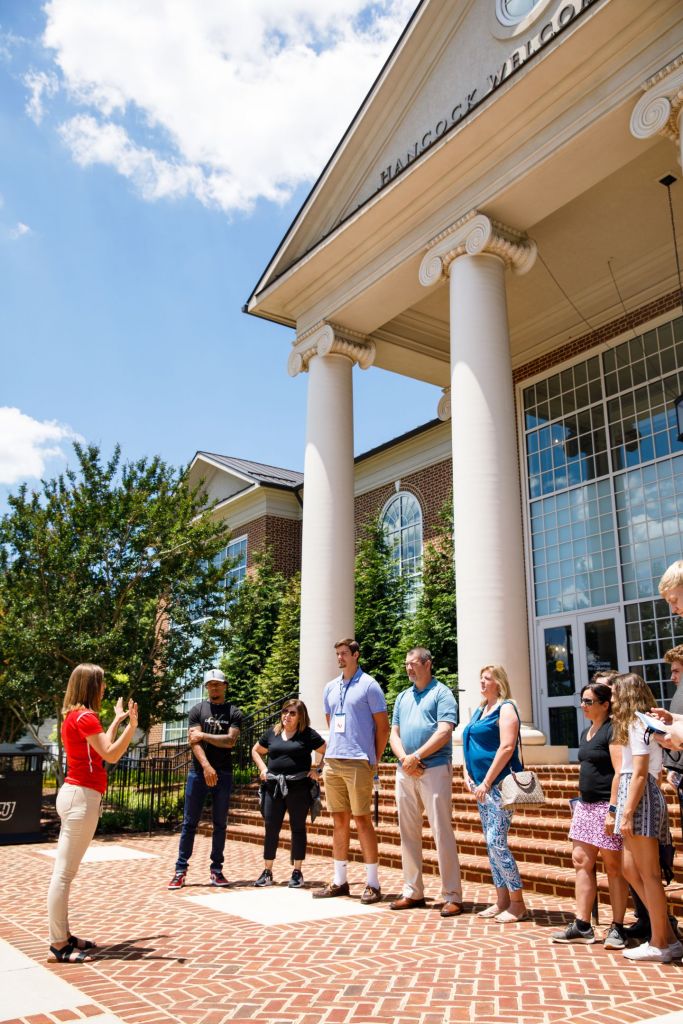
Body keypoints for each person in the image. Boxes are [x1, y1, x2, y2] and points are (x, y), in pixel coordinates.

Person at [47, 663, 138, 963]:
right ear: (90, 685)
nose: (104, 688)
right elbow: (111, 754)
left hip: (76, 795)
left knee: (64, 873)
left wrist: (116, 720)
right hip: (81, 799)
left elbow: (101, 745)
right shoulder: (85, 717)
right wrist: (132, 728)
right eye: (101, 683)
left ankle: (64, 935)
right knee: (63, 875)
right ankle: (58, 944)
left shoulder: (77, 716)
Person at [608, 672, 682, 962]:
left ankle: (661, 942)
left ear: (626, 695)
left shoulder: (639, 723)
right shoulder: (633, 725)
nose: (611, 698)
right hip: (633, 792)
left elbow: (639, 773)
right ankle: (670, 936)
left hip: (640, 795)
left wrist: (626, 812)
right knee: (629, 868)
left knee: (649, 874)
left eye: (615, 693)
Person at [551, 682, 628, 947]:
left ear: (605, 705)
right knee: (581, 861)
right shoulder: (587, 731)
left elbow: (619, 771)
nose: (583, 706)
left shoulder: (612, 729)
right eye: (581, 701)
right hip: (585, 805)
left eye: (588, 702)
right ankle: (583, 924)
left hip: (606, 805)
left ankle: (617, 926)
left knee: (614, 867)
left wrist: (613, 810)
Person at [314, 638, 390, 904]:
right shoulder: (330, 687)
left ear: (356, 655)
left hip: (359, 761)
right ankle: (340, 880)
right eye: (337, 654)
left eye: (344, 653)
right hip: (333, 761)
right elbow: (330, 719)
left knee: (362, 819)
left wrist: (374, 758)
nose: (340, 658)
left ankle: (373, 883)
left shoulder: (370, 685)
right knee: (339, 821)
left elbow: (383, 727)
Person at [389, 647, 463, 917]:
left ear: (428, 664)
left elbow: (445, 731)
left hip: (433, 770)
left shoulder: (441, 693)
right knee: (407, 832)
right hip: (406, 771)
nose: (409, 668)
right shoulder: (402, 697)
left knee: (442, 831)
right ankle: (412, 890)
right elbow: (393, 733)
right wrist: (405, 759)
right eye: (406, 663)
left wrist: (417, 756)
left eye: (413, 663)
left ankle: (453, 894)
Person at [462, 665, 527, 923]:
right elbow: (470, 742)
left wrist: (487, 781)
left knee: (497, 842)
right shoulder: (480, 709)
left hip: (498, 786)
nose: (482, 682)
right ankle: (501, 900)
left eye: (487, 678)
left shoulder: (506, 707)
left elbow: (507, 746)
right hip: (481, 786)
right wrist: (466, 772)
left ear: (498, 683)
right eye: (481, 678)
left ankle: (518, 903)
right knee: (491, 845)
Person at [168, 668, 242, 890]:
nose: (214, 687)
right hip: (198, 773)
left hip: (225, 773)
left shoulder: (234, 712)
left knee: (220, 824)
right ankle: (180, 871)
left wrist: (205, 735)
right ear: (206, 687)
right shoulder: (197, 710)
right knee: (189, 823)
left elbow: (230, 741)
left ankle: (216, 871)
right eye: (210, 684)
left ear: (225, 685)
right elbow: (194, 742)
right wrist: (207, 767)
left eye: (217, 684)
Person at [251, 698, 326, 888]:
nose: (287, 716)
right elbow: (256, 751)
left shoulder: (307, 734)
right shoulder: (273, 733)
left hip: (299, 787)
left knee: (298, 828)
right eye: (285, 712)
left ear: (301, 716)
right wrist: (263, 769)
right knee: (271, 827)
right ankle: (267, 871)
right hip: (273, 787)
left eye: (292, 713)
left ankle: (297, 872)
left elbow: (328, 749)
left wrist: (318, 770)